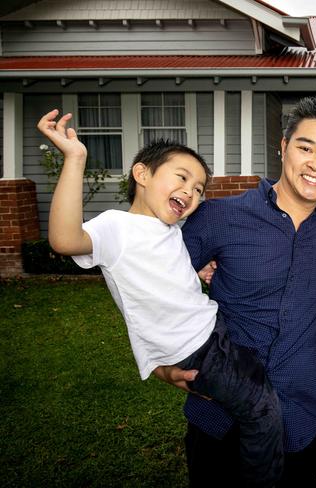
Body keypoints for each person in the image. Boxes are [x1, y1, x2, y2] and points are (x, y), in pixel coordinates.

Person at [38, 109, 283, 488]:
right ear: (142, 174)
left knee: (260, 380)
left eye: (199, 189)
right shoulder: (116, 227)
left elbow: (162, 272)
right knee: (263, 410)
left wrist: (196, 272)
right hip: (196, 349)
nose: (190, 191)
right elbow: (65, 240)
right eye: (182, 178)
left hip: (213, 333)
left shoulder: (167, 231)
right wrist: (75, 159)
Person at [153, 97, 316, 487]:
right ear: (282, 146)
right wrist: (159, 361)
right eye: (305, 147)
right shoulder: (219, 217)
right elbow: (148, 282)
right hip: (221, 414)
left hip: (301, 412)